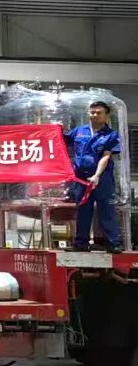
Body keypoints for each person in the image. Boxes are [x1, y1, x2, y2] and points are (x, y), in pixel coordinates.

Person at [65, 101, 123, 253]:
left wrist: (96, 175)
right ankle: (81, 243)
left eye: (99, 113)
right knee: (83, 210)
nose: (95, 115)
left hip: (102, 178)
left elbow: (106, 156)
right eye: (92, 112)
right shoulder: (79, 131)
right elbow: (60, 141)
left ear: (106, 115)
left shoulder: (111, 135)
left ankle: (113, 243)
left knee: (106, 209)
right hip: (81, 179)